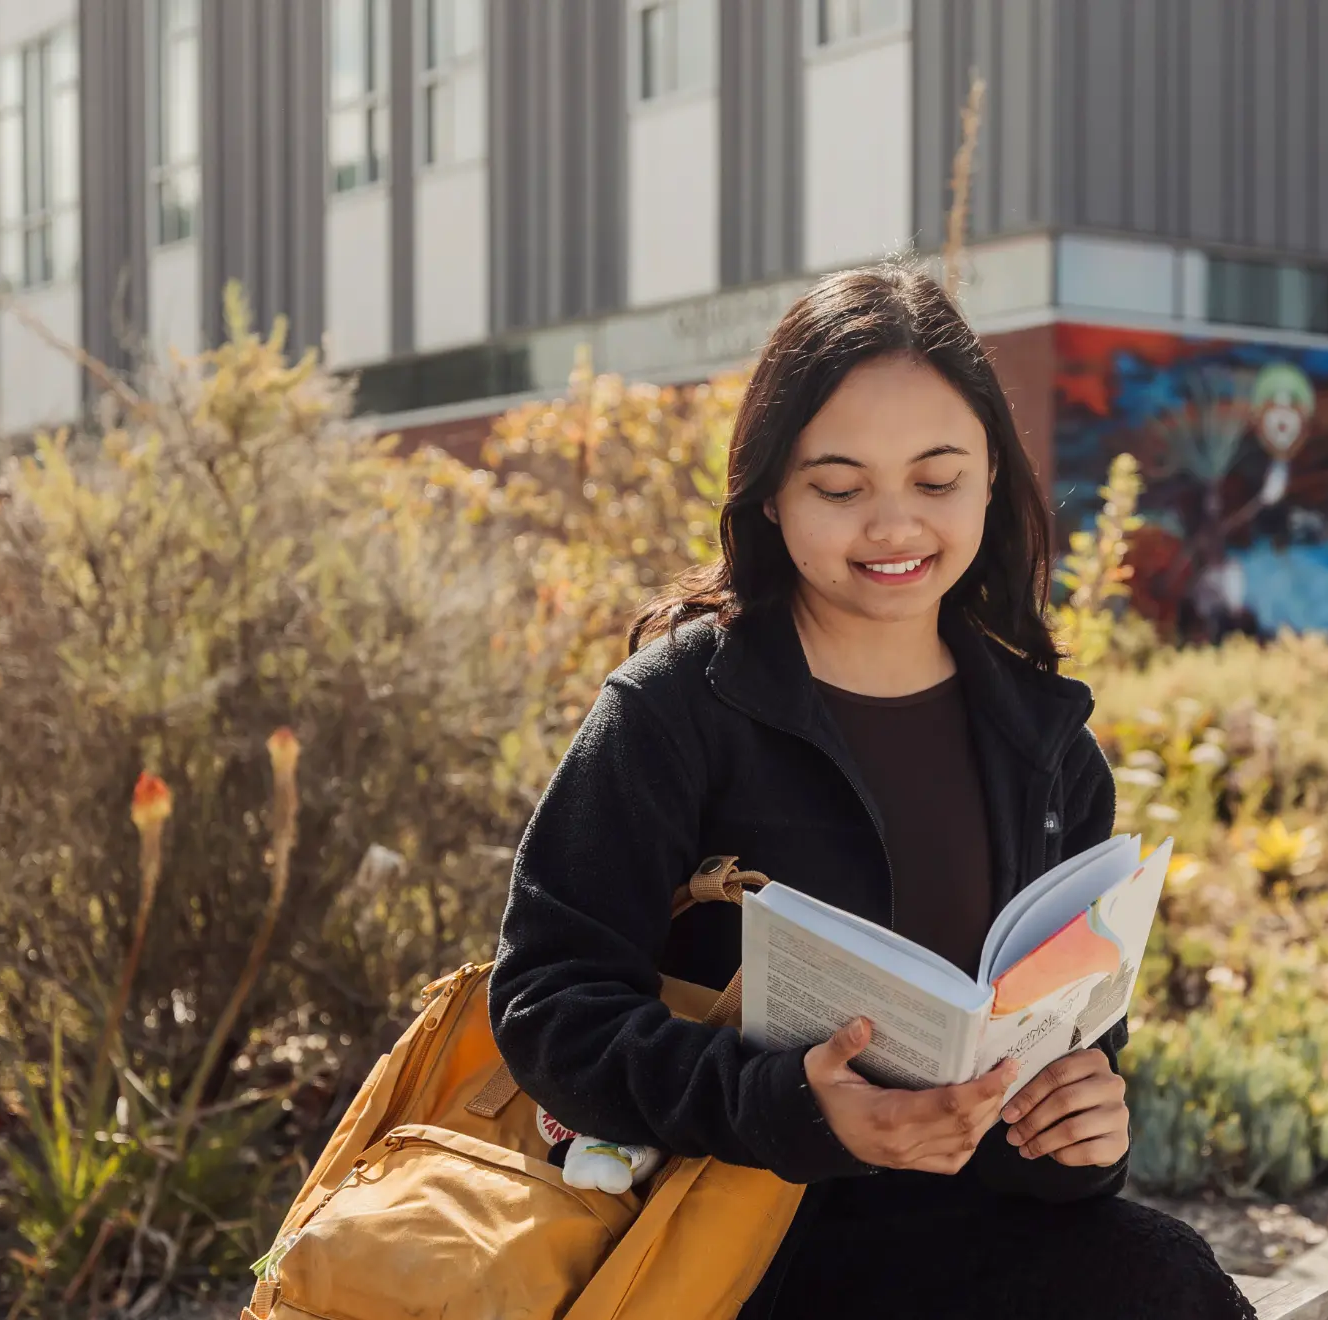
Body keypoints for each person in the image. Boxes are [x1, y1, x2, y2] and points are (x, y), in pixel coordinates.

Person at [488, 266, 1256, 1320]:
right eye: (840, 488)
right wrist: (792, 1107)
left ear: (992, 476)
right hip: (720, 1239)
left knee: (1163, 1280)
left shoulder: (1045, 750)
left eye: (935, 481)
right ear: (769, 492)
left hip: (957, 1237)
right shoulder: (677, 707)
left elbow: (1063, 1059)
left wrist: (1080, 1133)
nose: (893, 526)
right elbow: (547, 1007)